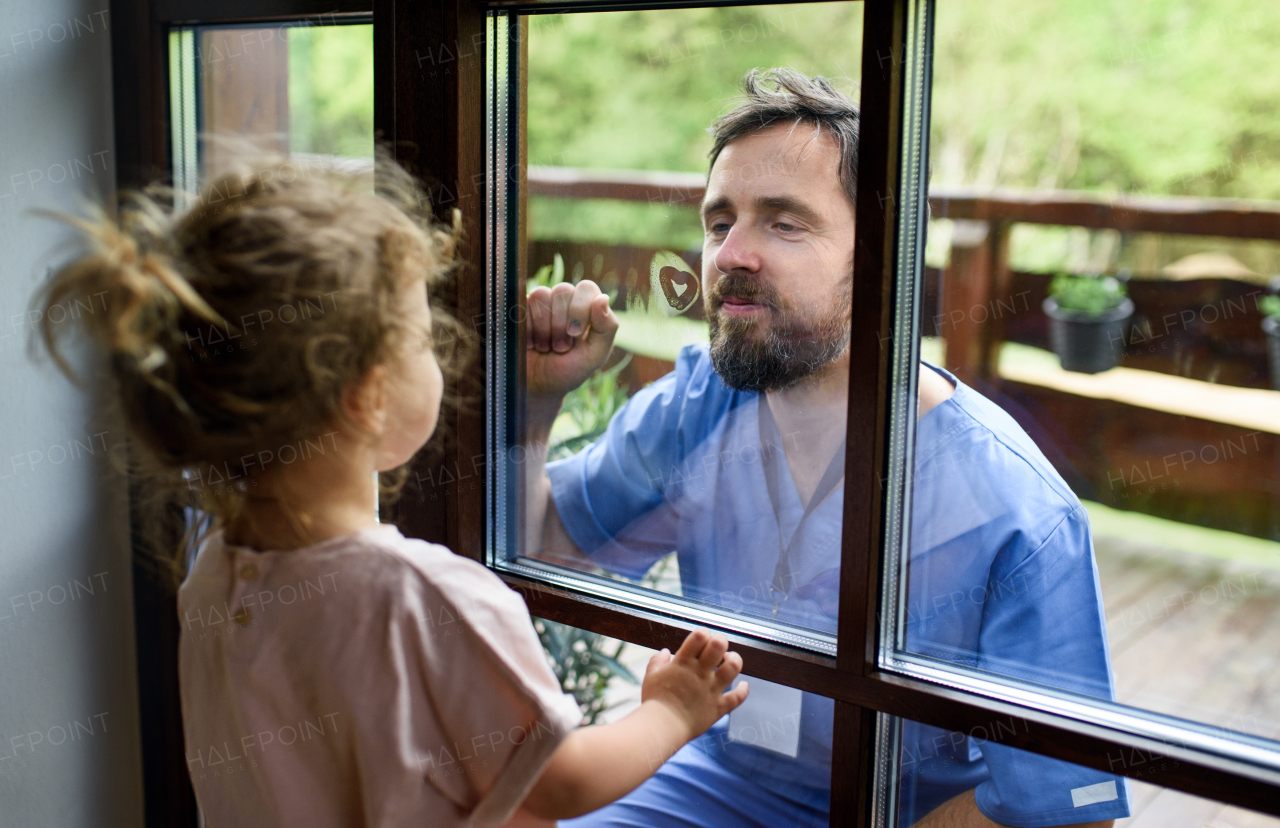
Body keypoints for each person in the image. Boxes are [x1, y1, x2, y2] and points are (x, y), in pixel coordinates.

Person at [35, 153, 749, 827]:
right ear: (368, 395)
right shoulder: (425, 599)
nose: (443, 351)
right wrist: (674, 709)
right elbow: (564, 777)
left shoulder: (214, 578)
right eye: (421, 335)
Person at [523, 69, 1131, 827]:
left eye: (783, 223)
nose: (730, 255)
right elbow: (546, 546)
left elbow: (1068, 813)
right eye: (720, 223)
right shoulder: (701, 405)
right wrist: (533, 408)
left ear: (881, 259)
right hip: (714, 779)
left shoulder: (1014, 509)